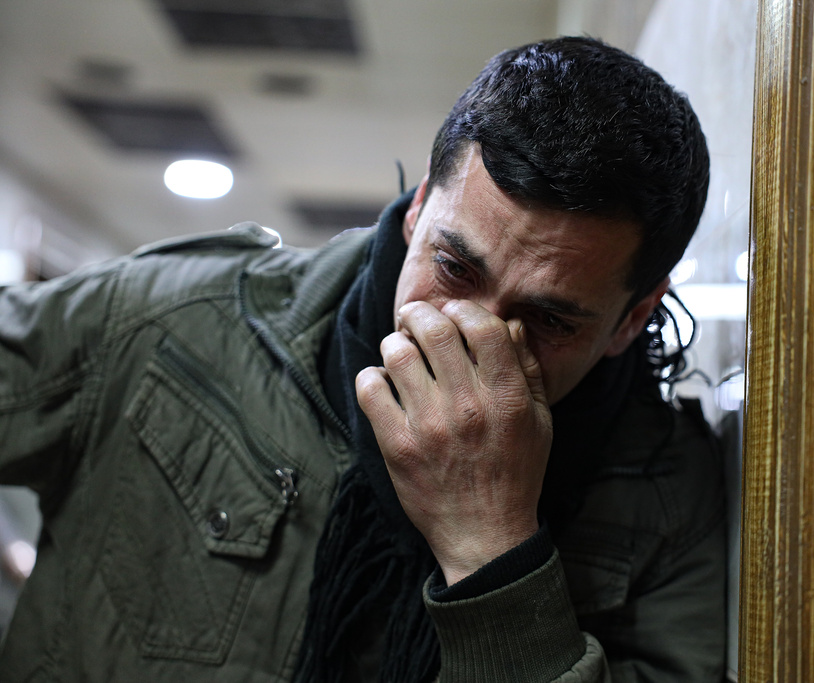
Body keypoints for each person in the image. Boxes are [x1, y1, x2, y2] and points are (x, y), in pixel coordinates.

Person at [0, 37, 725, 682]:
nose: (472, 333)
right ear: (417, 210)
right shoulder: (174, 318)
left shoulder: (671, 501)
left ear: (633, 318)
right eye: (455, 269)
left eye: (548, 319)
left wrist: (492, 550)